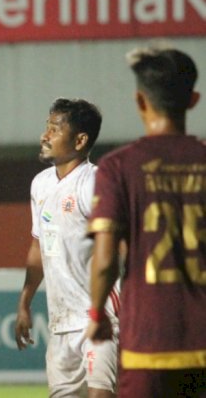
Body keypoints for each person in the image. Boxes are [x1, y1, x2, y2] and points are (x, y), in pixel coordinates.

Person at [86, 47, 204, 397]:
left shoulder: (118, 166)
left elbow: (106, 259)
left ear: (140, 100)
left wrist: (97, 313)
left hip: (148, 343)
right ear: (193, 99)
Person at [14, 98, 118, 397]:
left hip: (100, 317)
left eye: (54, 129)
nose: (44, 136)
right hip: (61, 324)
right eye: (46, 128)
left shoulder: (93, 182)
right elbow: (38, 248)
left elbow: (116, 247)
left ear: (80, 139)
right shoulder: (41, 184)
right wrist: (25, 302)